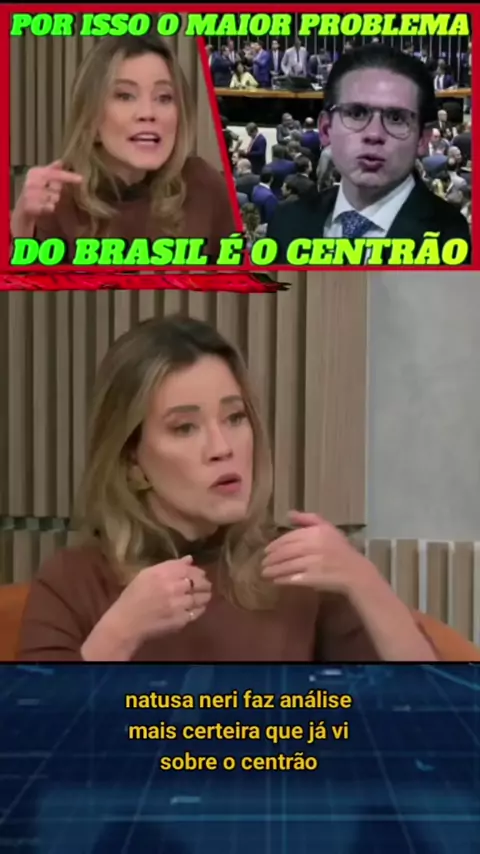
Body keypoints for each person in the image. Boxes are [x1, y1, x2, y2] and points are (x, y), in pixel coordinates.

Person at [18, 315, 440, 663]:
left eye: (235, 418)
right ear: (132, 461)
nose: (223, 448)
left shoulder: (297, 569)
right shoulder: (72, 581)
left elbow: (435, 715)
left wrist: (363, 581)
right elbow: (37, 733)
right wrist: (120, 633)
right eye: (185, 428)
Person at [11, 35, 236, 262]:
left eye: (164, 97)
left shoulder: (203, 186)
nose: (148, 113)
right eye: (125, 96)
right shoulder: (57, 200)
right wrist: (21, 229)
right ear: (92, 117)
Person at [268, 44, 471, 264]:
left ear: (422, 138)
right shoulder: (286, 222)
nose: (374, 134)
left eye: (396, 118)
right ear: (326, 129)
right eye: (356, 113)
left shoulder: (454, 240)